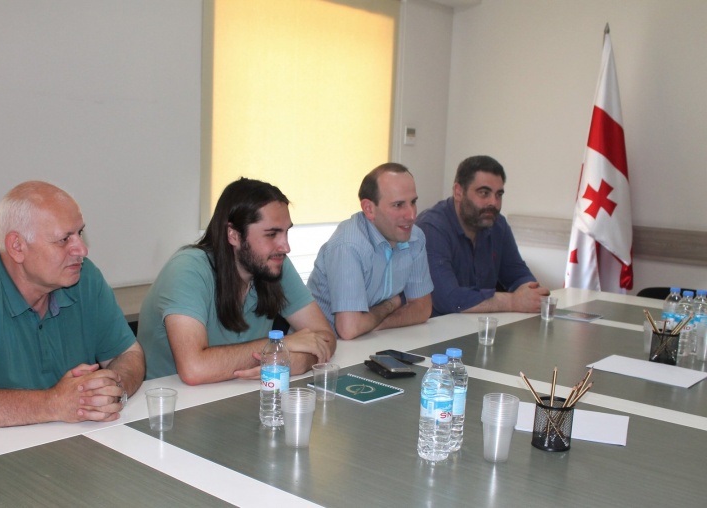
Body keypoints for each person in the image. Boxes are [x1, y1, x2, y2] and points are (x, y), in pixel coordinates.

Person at [0, 181, 145, 431]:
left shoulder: (84, 278)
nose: (82, 250)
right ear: (17, 247)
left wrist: (112, 389)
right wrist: (54, 403)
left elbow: (128, 355)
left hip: (47, 441)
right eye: (64, 239)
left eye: (80, 233)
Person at [137, 177, 336, 385]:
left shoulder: (274, 263)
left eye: (286, 232)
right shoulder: (187, 269)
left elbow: (325, 336)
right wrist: (280, 346)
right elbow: (194, 369)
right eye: (271, 234)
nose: (285, 247)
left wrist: (300, 361)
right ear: (234, 235)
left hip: (237, 392)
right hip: (172, 400)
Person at [308, 163, 433, 340]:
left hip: (369, 340)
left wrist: (369, 324)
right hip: (324, 347)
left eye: (413, 202)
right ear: (369, 209)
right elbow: (349, 329)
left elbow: (422, 309)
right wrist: (391, 305)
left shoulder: (415, 237)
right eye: (398, 205)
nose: (411, 215)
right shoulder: (348, 246)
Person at [415, 155, 549, 316]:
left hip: (480, 324)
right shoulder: (431, 228)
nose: (493, 202)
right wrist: (513, 301)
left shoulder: (497, 224)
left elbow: (517, 274)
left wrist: (531, 293)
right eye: (484, 193)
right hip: (438, 327)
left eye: (499, 195)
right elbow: (448, 299)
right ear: (458, 192)